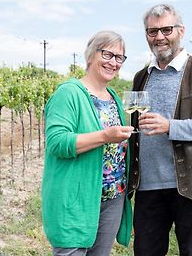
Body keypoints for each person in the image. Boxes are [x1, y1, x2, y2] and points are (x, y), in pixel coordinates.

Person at [127, 4, 192, 256]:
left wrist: (169, 126)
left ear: (180, 31)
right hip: (148, 185)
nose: (159, 37)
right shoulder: (141, 76)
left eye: (166, 29)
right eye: (152, 31)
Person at [41, 30, 134, 256]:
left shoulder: (112, 96)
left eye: (119, 57)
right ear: (91, 56)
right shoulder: (69, 93)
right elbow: (57, 142)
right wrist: (104, 136)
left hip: (113, 197)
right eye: (107, 54)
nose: (113, 62)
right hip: (77, 198)